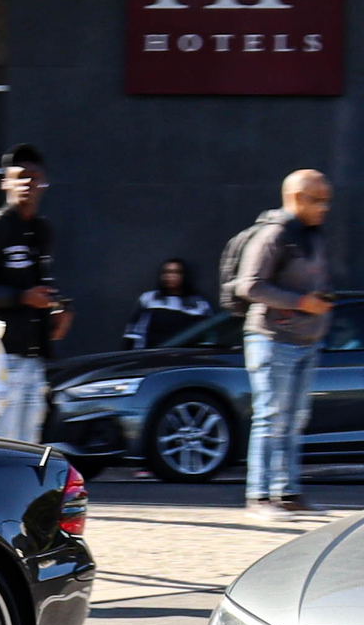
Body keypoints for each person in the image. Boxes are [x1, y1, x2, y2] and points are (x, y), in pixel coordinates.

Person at [235, 168, 336, 516]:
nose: (325, 207)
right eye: (318, 200)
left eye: (327, 200)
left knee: (294, 419)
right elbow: (248, 286)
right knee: (271, 418)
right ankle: (260, 496)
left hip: (307, 341)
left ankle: (288, 493)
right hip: (272, 341)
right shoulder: (273, 235)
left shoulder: (312, 235)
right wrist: (301, 302)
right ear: (296, 198)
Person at [0, 143, 68, 442]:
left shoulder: (42, 231)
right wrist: (22, 297)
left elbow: (42, 284)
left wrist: (60, 308)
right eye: (20, 176)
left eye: (34, 177)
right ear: (5, 182)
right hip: (0, 359)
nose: (27, 183)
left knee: (28, 447)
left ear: (43, 183)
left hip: (34, 360)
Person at [123, 258, 215, 349]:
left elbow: (208, 335)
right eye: (166, 272)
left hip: (185, 358)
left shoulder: (198, 304)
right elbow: (134, 333)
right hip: (153, 357)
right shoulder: (149, 299)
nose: (170, 276)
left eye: (176, 272)